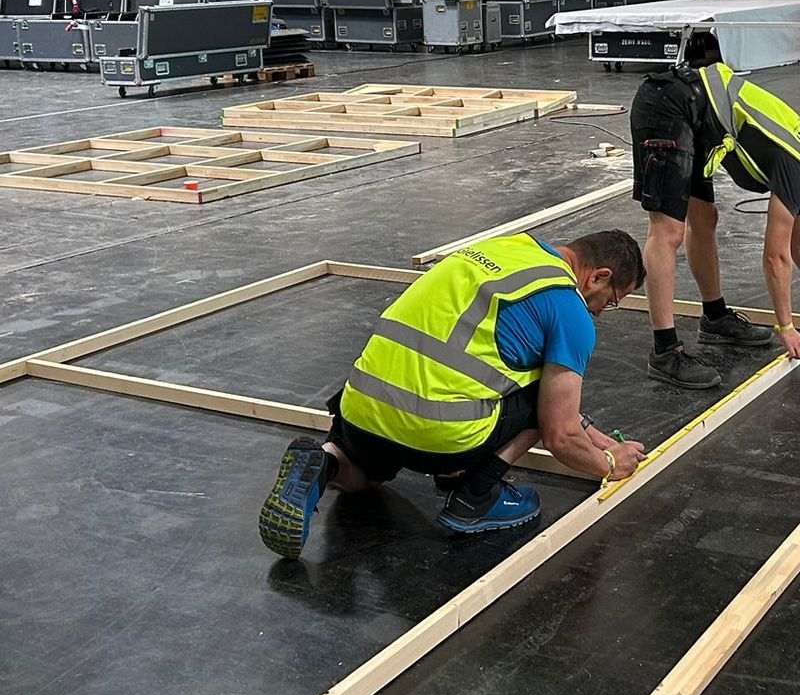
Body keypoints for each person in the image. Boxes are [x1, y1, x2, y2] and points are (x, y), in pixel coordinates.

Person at [259, 229, 648, 559]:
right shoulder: (569, 310)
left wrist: (601, 440)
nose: (602, 311)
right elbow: (560, 434)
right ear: (599, 277)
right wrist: (610, 464)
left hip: (362, 407)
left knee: (359, 476)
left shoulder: (505, 248)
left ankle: (323, 463)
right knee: (540, 390)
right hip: (439, 433)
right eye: (613, 300)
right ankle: (476, 497)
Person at [629, 62, 800, 390]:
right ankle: (665, 352)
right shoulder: (795, 165)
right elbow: (776, 257)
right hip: (670, 104)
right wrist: (786, 326)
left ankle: (715, 317)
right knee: (668, 230)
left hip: (694, 116)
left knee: (704, 218)